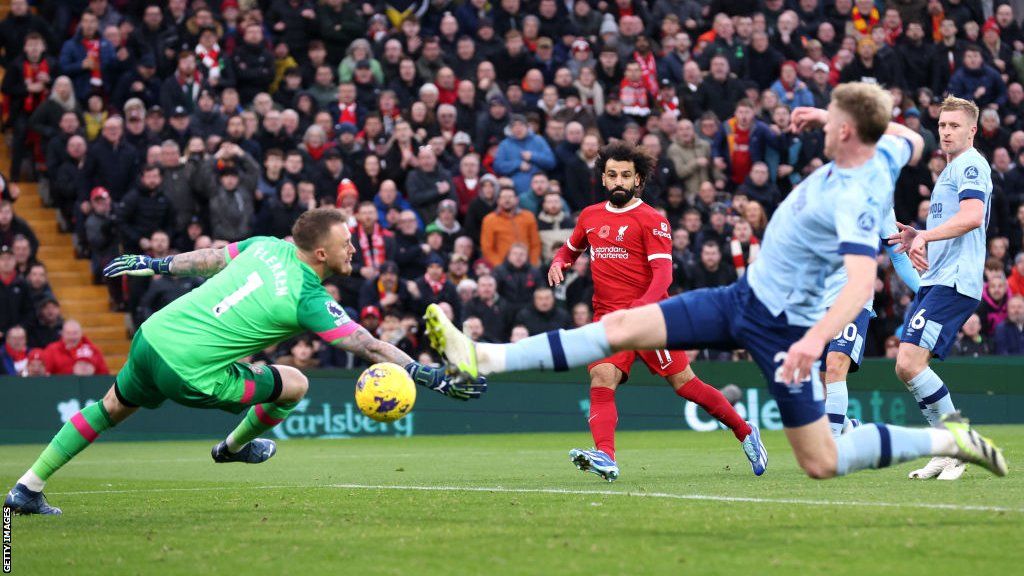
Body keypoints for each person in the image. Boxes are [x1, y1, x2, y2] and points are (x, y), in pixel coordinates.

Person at [426, 85, 1007, 483]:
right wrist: (837, 116)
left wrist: (814, 340)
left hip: (782, 328)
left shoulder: (860, 196)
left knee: (821, 460)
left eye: (834, 123)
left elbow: (860, 284)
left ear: (850, 133)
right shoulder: (890, 150)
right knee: (618, 327)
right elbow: (908, 135)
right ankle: (482, 355)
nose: (822, 129)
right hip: (739, 299)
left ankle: (945, 441)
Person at [4, 208, 486, 515]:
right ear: (321, 252)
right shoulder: (308, 296)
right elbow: (369, 345)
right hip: (190, 372)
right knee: (295, 383)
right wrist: (429, 376)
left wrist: (155, 264)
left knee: (110, 408)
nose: (354, 250)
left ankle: (27, 487)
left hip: (153, 337)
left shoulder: (264, 245)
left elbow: (212, 257)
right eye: (346, 244)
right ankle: (233, 448)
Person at [545, 142, 766, 481]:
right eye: (612, 175)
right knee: (602, 376)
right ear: (604, 179)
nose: (619, 181)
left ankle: (745, 431)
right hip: (609, 319)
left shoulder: (652, 220)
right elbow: (570, 249)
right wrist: (559, 262)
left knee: (686, 385)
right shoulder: (590, 216)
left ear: (638, 181)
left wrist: (641, 307)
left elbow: (664, 275)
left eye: (626, 176)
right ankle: (605, 456)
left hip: (650, 318)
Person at [887, 97, 995, 481]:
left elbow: (972, 216)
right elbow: (955, 222)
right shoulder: (950, 169)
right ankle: (946, 448)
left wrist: (926, 237)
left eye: (954, 126)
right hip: (937, 280)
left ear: (972, 130)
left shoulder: (970, 165)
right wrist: (922, 235)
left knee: (909, 363)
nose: (946, 131)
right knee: (908, 366)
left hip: (954, 281)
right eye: (943, 125)